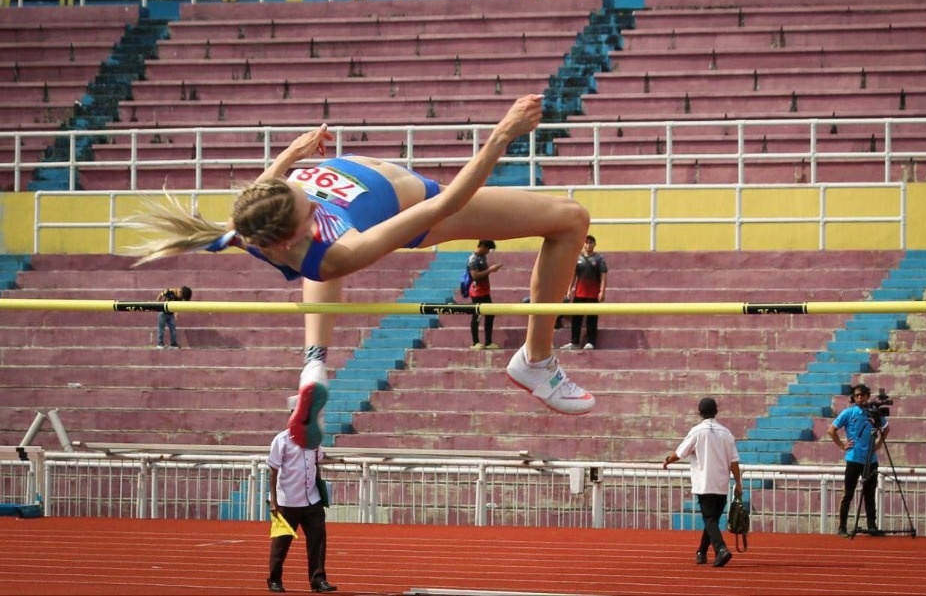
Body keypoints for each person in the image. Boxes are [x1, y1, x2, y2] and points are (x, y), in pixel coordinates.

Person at [126, 94, 595, 448]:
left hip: (342, 221)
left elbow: (265, 186)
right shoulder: (341, 248)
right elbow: (450, 203)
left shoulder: (253, 219)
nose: (307, 191)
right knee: (570, 219)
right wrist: (503, 134)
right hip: (427, 200)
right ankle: (536, 362)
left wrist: (293, 154)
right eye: (305, 202)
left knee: (317, 263)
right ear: (293, 236)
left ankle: (314, 367)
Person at [663, 397, 743, 568]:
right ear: (716, 411)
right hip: (721, 484)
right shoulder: (726, 433)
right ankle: (701, 552)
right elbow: (734, 462)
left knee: (709, 519)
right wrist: (738, 483)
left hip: (704, 482)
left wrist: (668, 460)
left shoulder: (697, 431)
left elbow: (680, 453)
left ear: (699, 412)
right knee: (712, 519)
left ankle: (721, 548)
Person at [266, 427, 336, 593]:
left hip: (312, 498)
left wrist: (337, 461)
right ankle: (275, 579)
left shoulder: (314, 438)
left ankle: (318, 580)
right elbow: (273, 470)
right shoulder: (281, 439)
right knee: (281, 543)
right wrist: (274, 501)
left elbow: (317, 461)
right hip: (287, 500)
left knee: (317, 540)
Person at [826, 382, 890, 537]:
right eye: (857, 395)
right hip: (854, 459)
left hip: (870, 459)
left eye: (862, 395)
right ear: (853, 398)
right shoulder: (848, 413)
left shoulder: (874, 412)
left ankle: (871, 526)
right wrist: (842, 445)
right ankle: (842, 527)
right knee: (848, 494)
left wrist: (879, 444)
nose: (860, 398)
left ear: (868, 396)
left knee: (869, 493)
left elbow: (886, 428)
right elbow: (831, 430)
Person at [560, 234, 607, 350]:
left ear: (594, 244)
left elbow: (603, 276)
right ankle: (574, 342)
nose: (588, 244)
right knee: (576, 319)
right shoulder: (578, 258)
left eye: (591, 242)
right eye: (586, 242)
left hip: (593, 295)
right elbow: (573, 275)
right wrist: (569, 289)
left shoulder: (599, 259)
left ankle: (590, 342)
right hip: (579, 295)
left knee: (592, 319)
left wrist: (602, 291)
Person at [467, 239, 501, 349]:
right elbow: (475, 275)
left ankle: (488, 342)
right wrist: (490, 270)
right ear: (482, 246)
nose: (488, 251)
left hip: (485, 291)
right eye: (487, 248)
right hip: (477, 292)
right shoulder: (473, 259)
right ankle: (475, 342)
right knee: (477, 315)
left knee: (490, 314)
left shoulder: (482, 257)